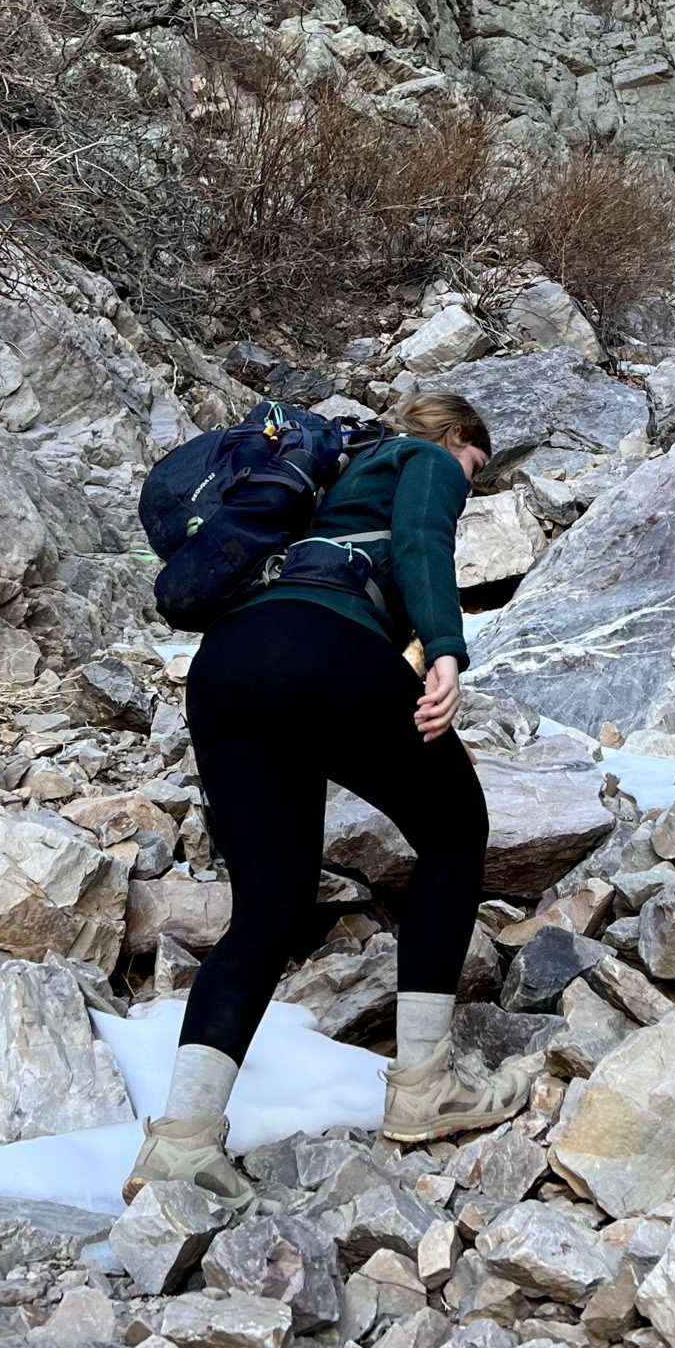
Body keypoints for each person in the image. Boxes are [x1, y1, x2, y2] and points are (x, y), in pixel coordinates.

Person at [125, 388, 532, 1206]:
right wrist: (447, 651)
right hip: (326, 648)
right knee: (455, 833)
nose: (471, 482)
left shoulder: (317, 480)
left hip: (228, 668)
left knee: (265, 914)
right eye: (475, 467)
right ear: (455, 436)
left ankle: (180, 1148)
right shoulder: (420, 457)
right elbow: (421, 538)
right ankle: (423, 1091)